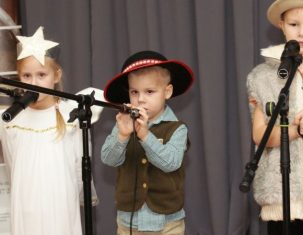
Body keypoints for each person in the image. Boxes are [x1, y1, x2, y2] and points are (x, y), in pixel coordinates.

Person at [0, 26, 102, 235]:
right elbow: (12, 165)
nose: (34, 82)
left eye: (41, 74)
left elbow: (77, 164)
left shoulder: (71, 114)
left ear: (56, 75)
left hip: (60, 205)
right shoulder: (10, 119)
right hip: (26, 205)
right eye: (26, 76)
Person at [246, 0, 303, 234]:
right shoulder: (262, 76)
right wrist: (296, 129)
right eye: (293, 24)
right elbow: (260, 135)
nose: (302, 32)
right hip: (282, 195)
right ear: (282, 25)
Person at [101, 50, 194, 234]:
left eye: (149, 91)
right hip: (128, 222)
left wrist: (145, 135)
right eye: (134, 92)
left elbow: (170, 162)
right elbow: (108, 159)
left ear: (167, 91)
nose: (140, 99)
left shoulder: (177, 128)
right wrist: (122, 136)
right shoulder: (123, 124)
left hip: (167, 223)